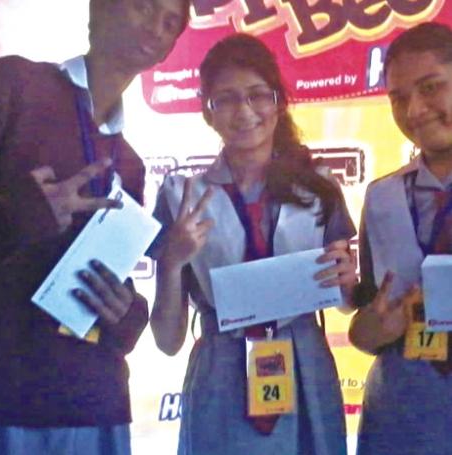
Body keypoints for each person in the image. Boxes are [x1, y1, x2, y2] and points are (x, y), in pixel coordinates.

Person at [0, 1, 190, 453]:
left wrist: (127, 315)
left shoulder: (129, 163)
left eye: (171, 23)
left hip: (96, 407)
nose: (156, 28)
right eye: (144, 7)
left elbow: (107, 288)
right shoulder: (9, 87)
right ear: (100, 9)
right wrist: (20, 217)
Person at [149, 33, 357, 455]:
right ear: (207, 112)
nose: (244, 111)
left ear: (278, 102)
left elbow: (347, 304)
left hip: (304, 363)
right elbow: (168, 340)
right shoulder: (182, 197)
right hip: (222, 368)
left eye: (257, 95)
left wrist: (348, 281)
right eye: (225, 99)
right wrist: (171, 262)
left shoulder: (319, 187)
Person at [348, 22, 452, 455]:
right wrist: (372, 329)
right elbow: (367, 320)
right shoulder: (382, 198)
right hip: (402, 414)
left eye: (430, 88)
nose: (415, 111)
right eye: (398, 98)